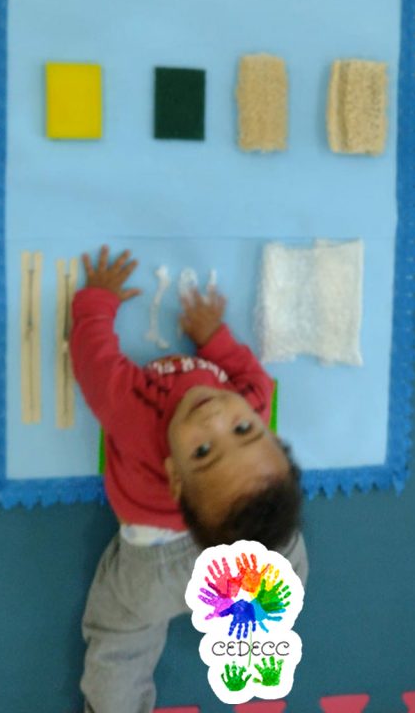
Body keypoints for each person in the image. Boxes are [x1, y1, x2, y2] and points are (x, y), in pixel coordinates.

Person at [70, 246, 307, 713]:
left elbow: (94, 363)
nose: (217, 417)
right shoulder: (252, 402)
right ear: (269, 433)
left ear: (174, 476)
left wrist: (96, 301)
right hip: (241, 563)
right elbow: (254, 377)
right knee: (282, 547)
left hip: (153, 572)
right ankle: (254, 618)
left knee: (121, 641)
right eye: (244, 431)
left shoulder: (135, 411)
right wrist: (214, 339)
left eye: (203, 451)